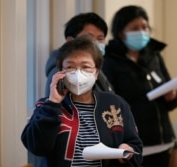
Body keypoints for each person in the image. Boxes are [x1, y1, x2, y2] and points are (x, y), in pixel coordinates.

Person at [21, 35, 143, 167]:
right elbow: (36, 147)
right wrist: (53, 103)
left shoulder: (116, 103)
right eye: (70, 67)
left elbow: (136, 147)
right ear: (60, 72)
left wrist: (128, 149)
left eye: (85, 67)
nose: (78, 73)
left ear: (96, 73)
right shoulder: (46, 105)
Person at [102, 5, 177, 167]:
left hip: (164, 143)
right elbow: (109, 104)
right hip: (133, 146)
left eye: (144, 27)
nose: (142, 32)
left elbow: (171, 103)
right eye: (135, 28)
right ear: (121, 33)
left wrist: (172, 96)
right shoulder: (110, 61)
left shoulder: (154, 57)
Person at [45, 12, 114, 97]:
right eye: (89, 38)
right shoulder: (64, 73)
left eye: (100, 38)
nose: (95, 43)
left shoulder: (94, 65)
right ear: (70, 41)